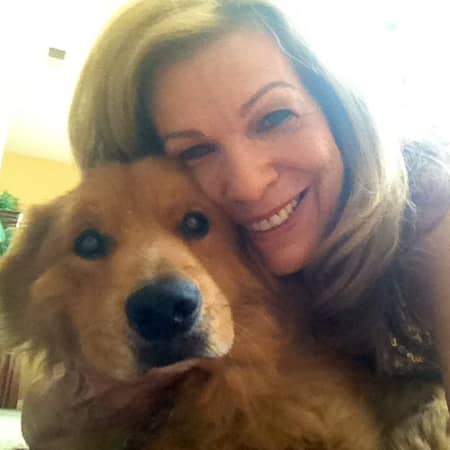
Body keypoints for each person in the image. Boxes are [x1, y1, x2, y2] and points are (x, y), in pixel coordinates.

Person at [23, 0, 450, 448]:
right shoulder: (250, 247)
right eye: (195, 150)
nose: (249, 185)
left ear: (335, 109)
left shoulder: (433, 211)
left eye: (275, 116)